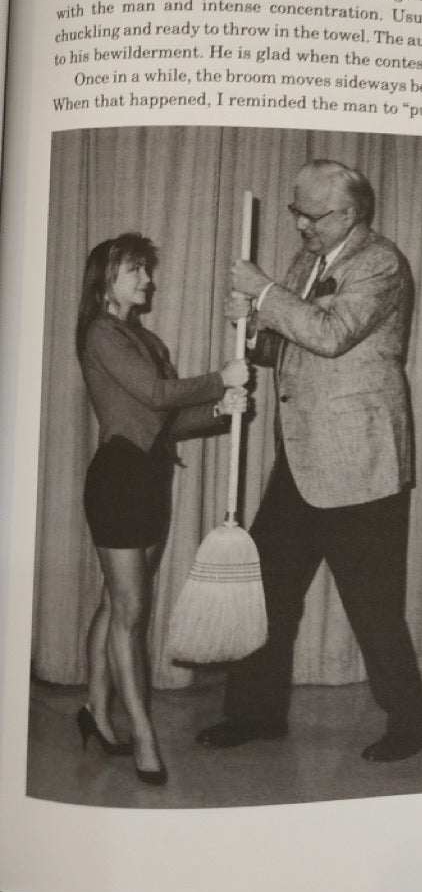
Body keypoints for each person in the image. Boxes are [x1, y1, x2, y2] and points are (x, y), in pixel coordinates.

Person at [196, 159, 422, 762]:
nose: (300, 224)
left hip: (360, 465)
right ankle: (256, 715)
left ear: (349, 213)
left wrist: (264, 293)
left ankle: (413, 723)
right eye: (295, 212)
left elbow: (331, 334)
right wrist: (253, 328)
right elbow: (288, 345)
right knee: (268, 589)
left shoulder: (380, 263)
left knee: (373, 606)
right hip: (302, 460)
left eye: (312, 214)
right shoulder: (306, 263)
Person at [76, 233, 248, 785]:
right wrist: (219, 379)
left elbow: (168, 420)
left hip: (151, 481)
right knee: (130, 612)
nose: (147, 280)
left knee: (117, 603)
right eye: (135, 270)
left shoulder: (146, 339)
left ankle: (95, 708)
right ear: (106, 278)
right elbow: (154, 393)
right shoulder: (100, 333)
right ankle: (144, 736)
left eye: (146, 270)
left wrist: (221, 409)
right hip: (118, 481)